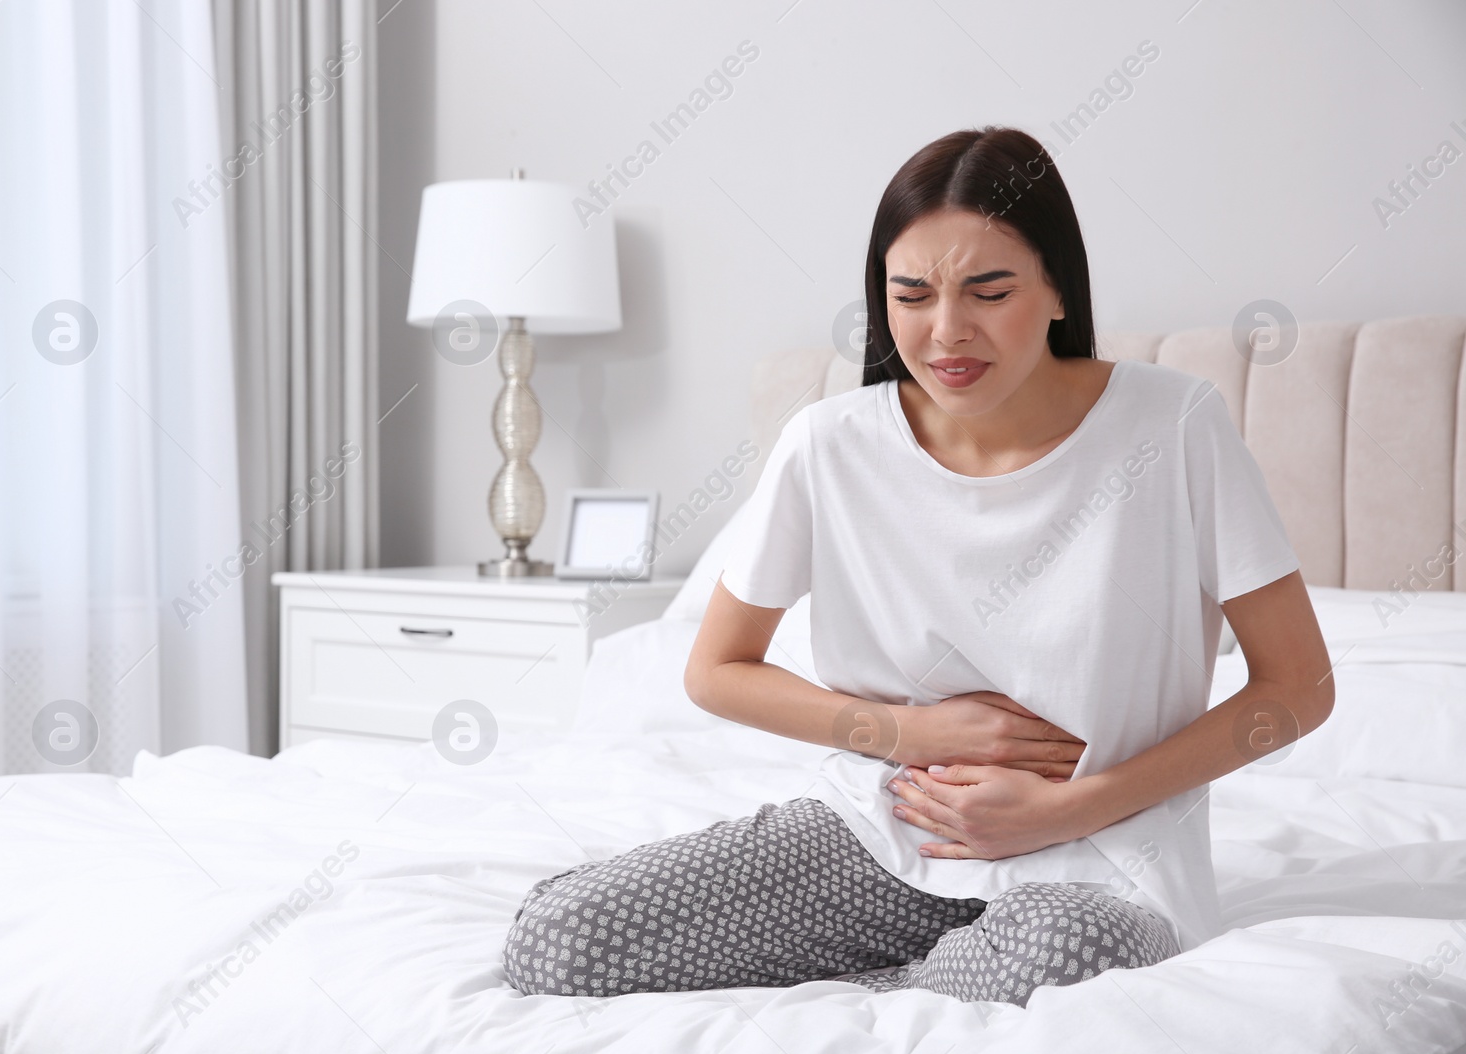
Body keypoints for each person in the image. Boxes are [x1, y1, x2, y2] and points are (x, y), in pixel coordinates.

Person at [501, 126, 1334, 1006]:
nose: (946, 333)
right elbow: (715, 670)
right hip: (879, 837)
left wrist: (1077, 807)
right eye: (911, 294)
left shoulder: (1173, 425)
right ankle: (906, 986)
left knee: (1061, 951)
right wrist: (908, 732)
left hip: (1097, 865)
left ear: (1056, 287)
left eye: (989, 289)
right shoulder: (829, 444)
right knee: (561, 943)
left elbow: (1298, 685)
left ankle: (870, 992)